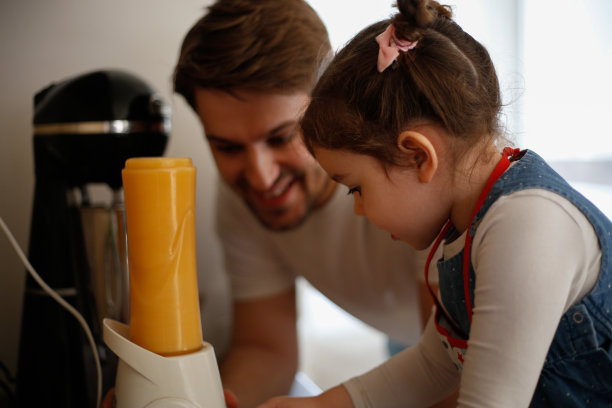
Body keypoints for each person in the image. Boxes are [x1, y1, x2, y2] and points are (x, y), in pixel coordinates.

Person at [256, 0, 612, 407]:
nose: (358, 210)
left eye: (355, 189)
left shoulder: (525, 225)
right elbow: (433, 364)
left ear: (419, 156)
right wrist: (319, 405)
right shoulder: (465, 232)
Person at [171, 1, 454, 408]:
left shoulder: (411, 167)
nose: (261, 176)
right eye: (227, 147)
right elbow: (265, 348)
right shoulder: (242, 194)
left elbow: (455, 370)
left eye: (281, 137)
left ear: (330, 100)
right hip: (412, 342)